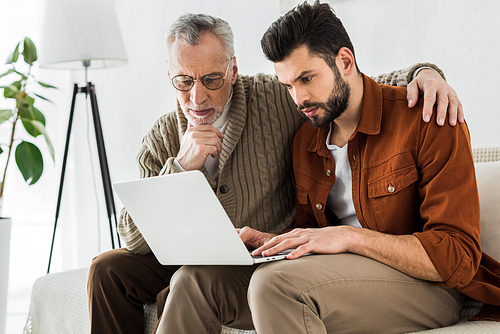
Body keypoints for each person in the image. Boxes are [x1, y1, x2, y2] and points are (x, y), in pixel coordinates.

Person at [88, 12, 464, 334]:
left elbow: (360, 87)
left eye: (211, 80)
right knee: (146, 274)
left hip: (403, 276)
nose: (197, 97)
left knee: (268, 284)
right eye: (184, 82)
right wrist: (181, 168)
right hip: (212, 256)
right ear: (170, 77)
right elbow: (133, 237)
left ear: (233, 71)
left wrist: (426, 72)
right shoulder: (305, 134)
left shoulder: (283, 104)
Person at [235, 1, 499, 333]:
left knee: (270, 285)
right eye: (288, 86)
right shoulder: (307, 139)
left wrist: (350, 237)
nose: (298, 98)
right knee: (196, 282)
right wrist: (274, 243)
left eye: (306, 78)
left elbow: (456, 258)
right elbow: (316, 239)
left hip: (429, 289)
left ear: (345, 61)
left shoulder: (428, 119)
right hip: (343, 278)